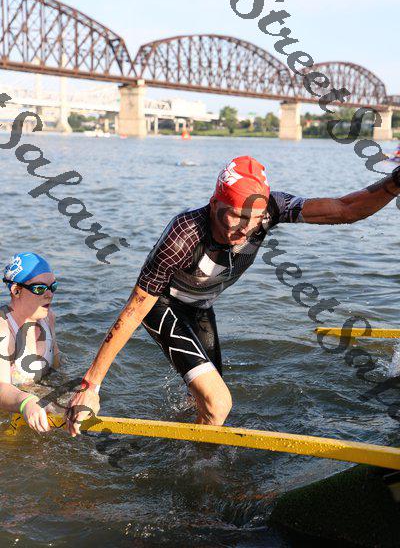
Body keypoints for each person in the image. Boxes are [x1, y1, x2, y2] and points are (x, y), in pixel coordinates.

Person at [66, 155, 400, 437]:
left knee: (203, 402)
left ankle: (189, 444)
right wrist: (90, 386)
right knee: (219, 402)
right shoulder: (183, 235)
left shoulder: (272, 208)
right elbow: (134, 310)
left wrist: (395, 182)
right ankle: (201, 466)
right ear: (215, 204)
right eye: (235, 215)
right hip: (161, 306)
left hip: (201, 307)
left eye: (254, 219)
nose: (244, 228)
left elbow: (346, 208)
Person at [0, 252, 60, 433]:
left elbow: (56, 367)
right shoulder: (4, 329)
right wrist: (26, 401)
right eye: (40, 288)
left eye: (53, 286)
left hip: (36, 398)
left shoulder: (48, 318)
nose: (49, 294)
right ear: (16, 290)